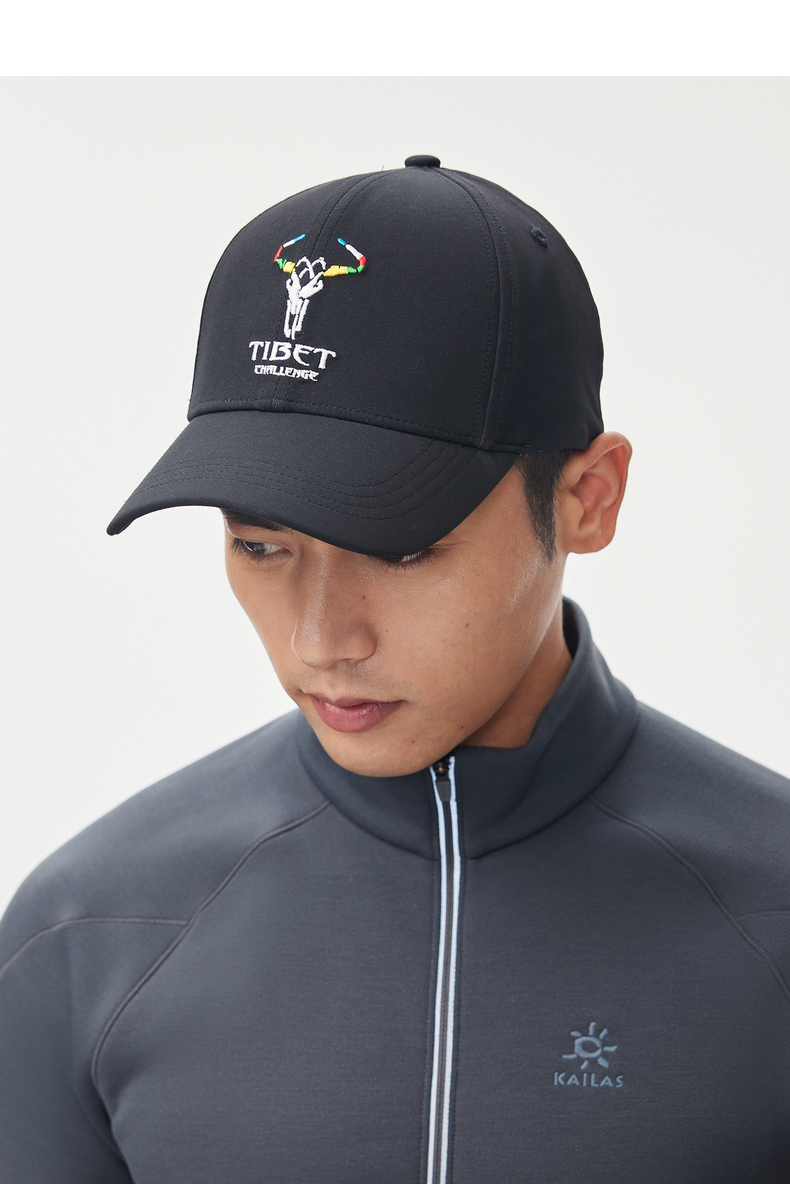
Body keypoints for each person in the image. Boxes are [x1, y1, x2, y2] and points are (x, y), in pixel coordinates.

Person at [1, 154, 789, 1184]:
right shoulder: (87, 929)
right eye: (260, 544)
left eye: (402, 548)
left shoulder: (770, 907)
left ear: (588, 499)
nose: (321, 638)